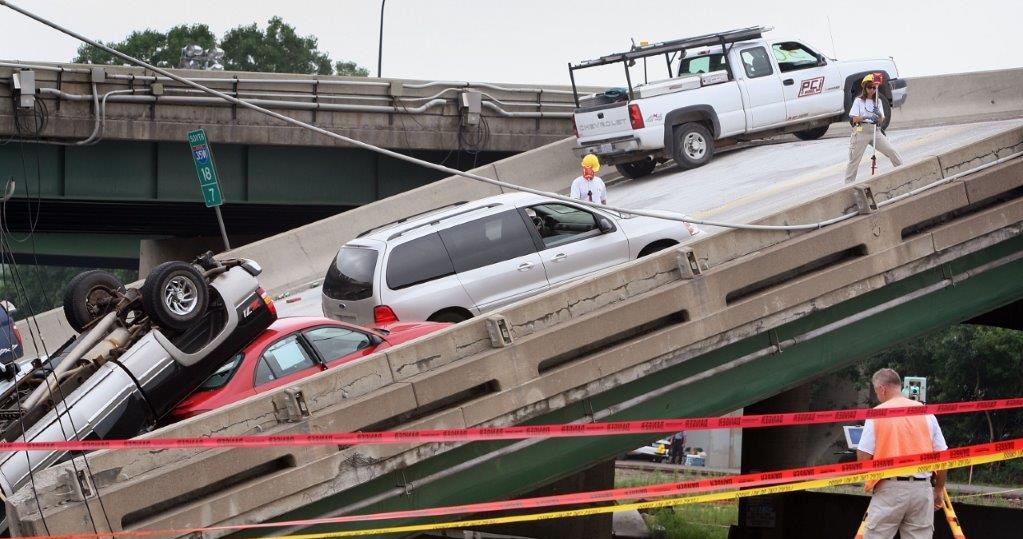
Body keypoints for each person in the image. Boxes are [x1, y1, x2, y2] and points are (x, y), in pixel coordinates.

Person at [856, 368, 947, 539]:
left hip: (889, 488)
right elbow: (942, 456)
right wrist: (939, 489)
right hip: (922, 489)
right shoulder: (926, 413)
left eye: (876, 391)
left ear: (882, 388)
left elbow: (863, 457)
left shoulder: (877, 413)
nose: (877, 396)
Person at [844, 73, 904, 183]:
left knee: (892, 151)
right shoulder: (858, 101)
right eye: (869, 87)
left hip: (875, 131)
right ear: (865, 87)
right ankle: (848, 185)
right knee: (854, 161)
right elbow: (854, 119)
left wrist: (879, 115)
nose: (871, 90)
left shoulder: (878, 101)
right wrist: (866, 116)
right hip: (861, 131)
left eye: (874, 87)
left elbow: (881, 120)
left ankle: (903, 173)